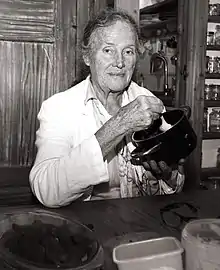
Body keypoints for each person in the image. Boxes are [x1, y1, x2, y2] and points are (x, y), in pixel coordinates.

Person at [29, 8, 185, 208]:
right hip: (84, 225)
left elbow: (173, 186)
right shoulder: (59, 107)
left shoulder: (149, 102)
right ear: (87, 57)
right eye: (108, 50)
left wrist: (168, 176)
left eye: (128, 51)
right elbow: (46, 190)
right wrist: (121, 124)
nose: (119, 62)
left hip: (142, 220)